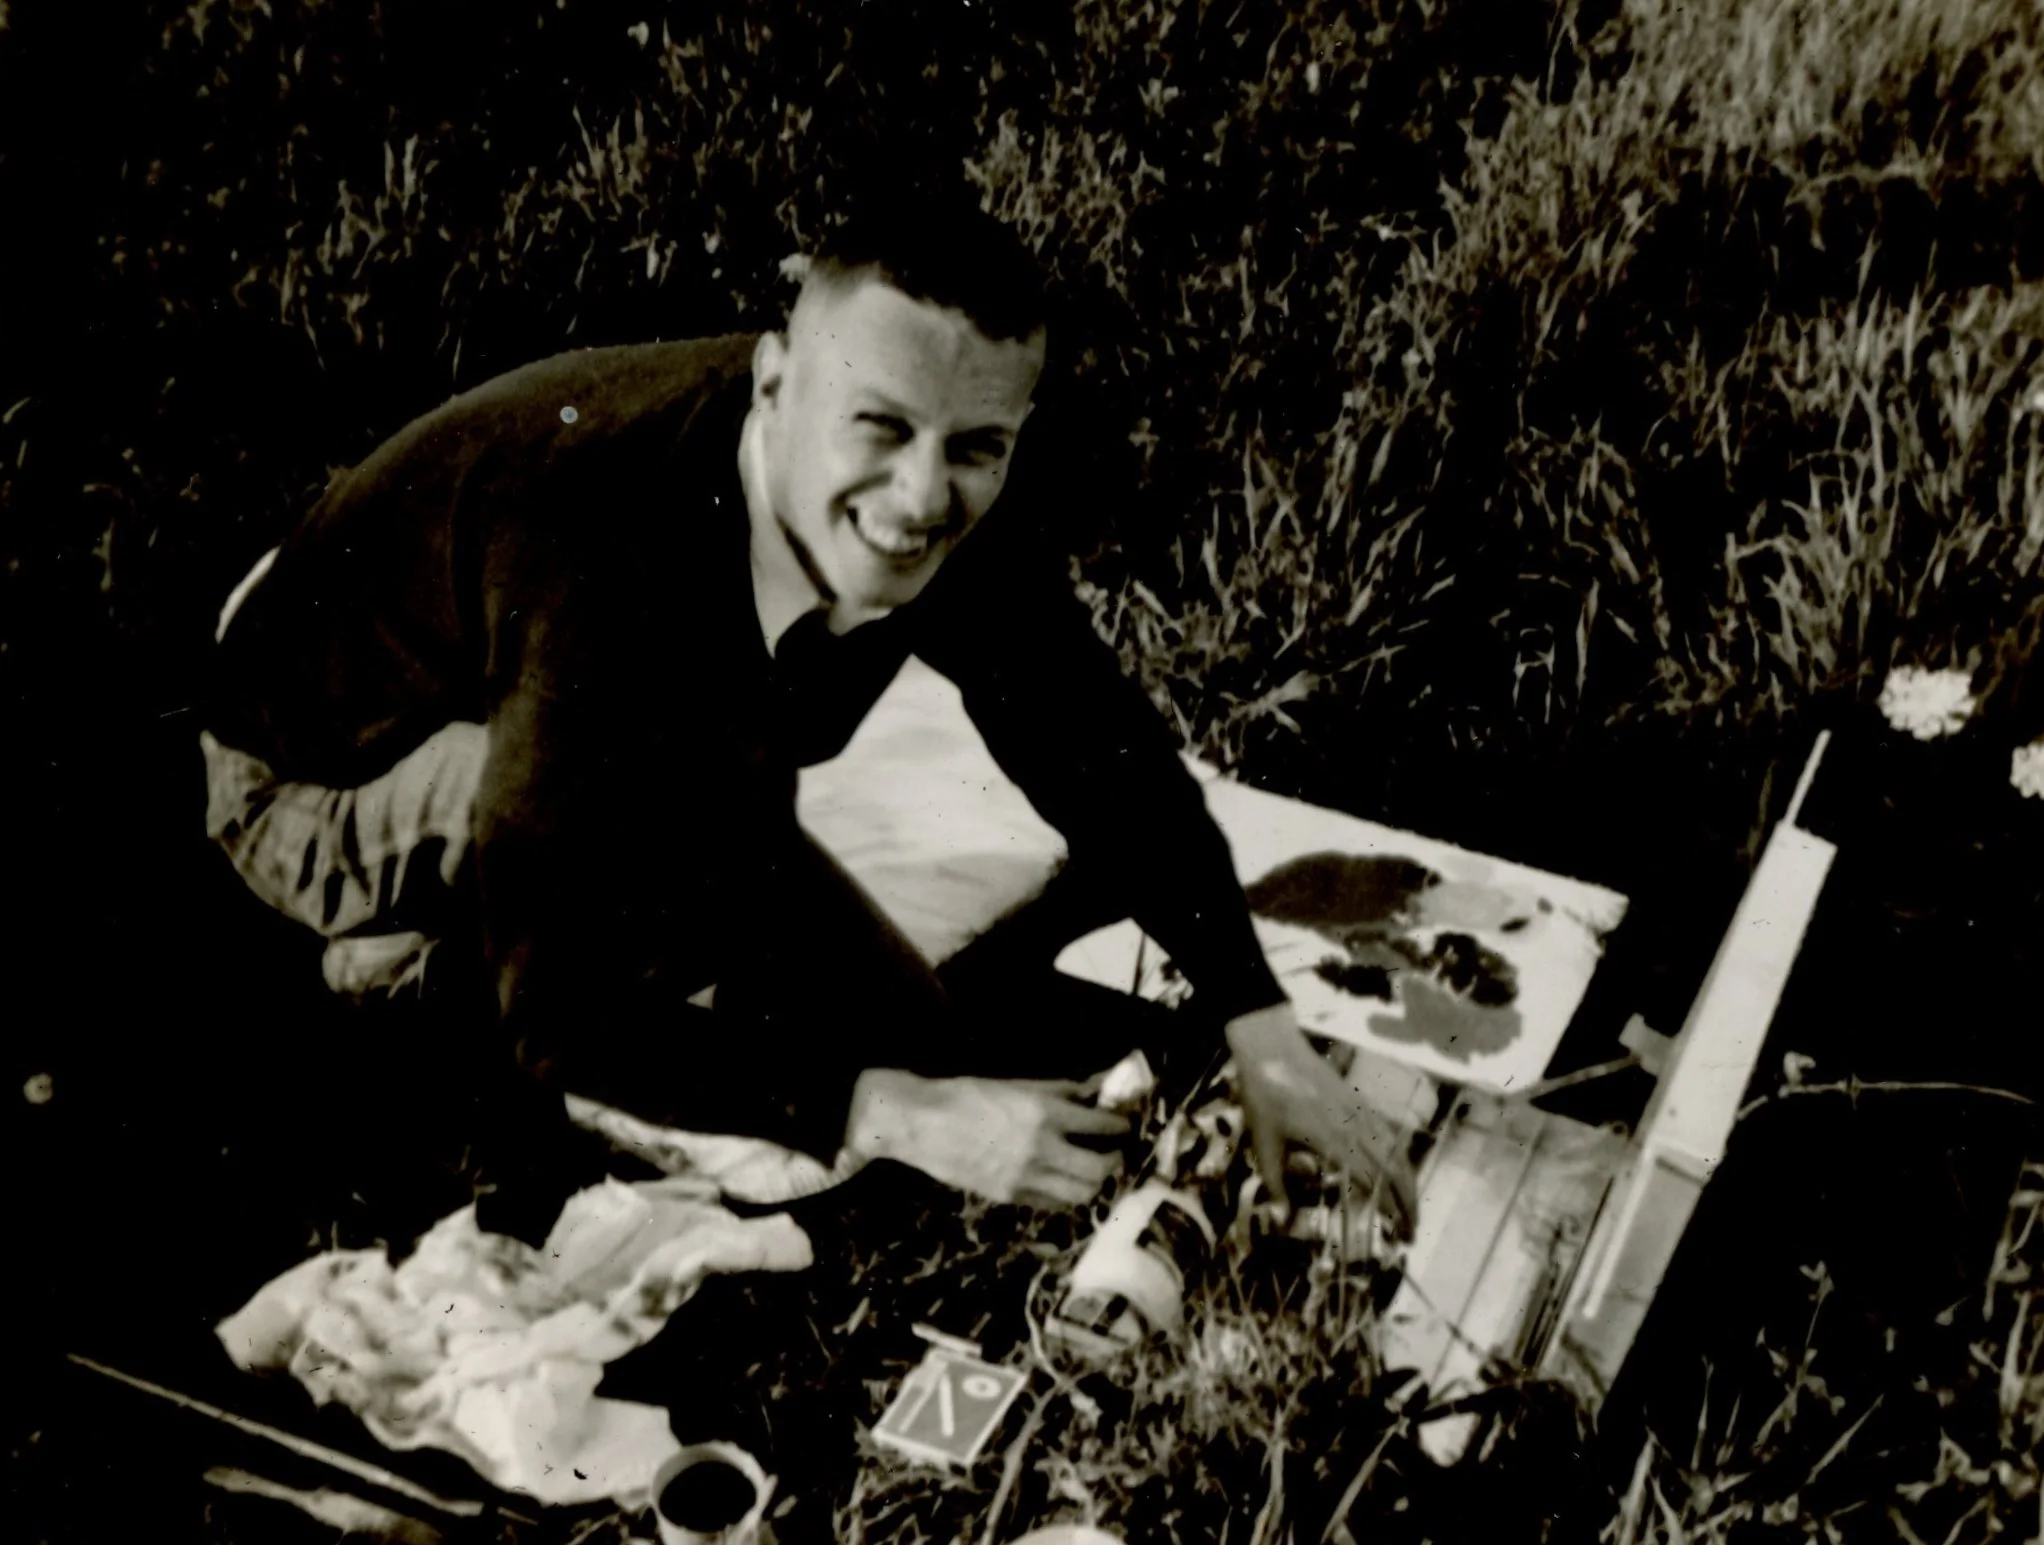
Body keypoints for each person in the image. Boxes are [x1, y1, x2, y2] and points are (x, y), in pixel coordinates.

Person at [202, 188, 1416, 1243]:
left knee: (917, 1039)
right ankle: (407, 965)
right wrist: (888, 1109)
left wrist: (1257, 1016)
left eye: (978, 447)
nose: (923, 493)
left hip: (597, 709)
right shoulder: (600, 563)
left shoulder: (927, 470)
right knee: (777, 1055)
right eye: (879, 428)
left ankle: (541, 886)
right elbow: (564, 1006)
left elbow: (1092, 739)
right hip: (323, 765)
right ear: (774, 382)